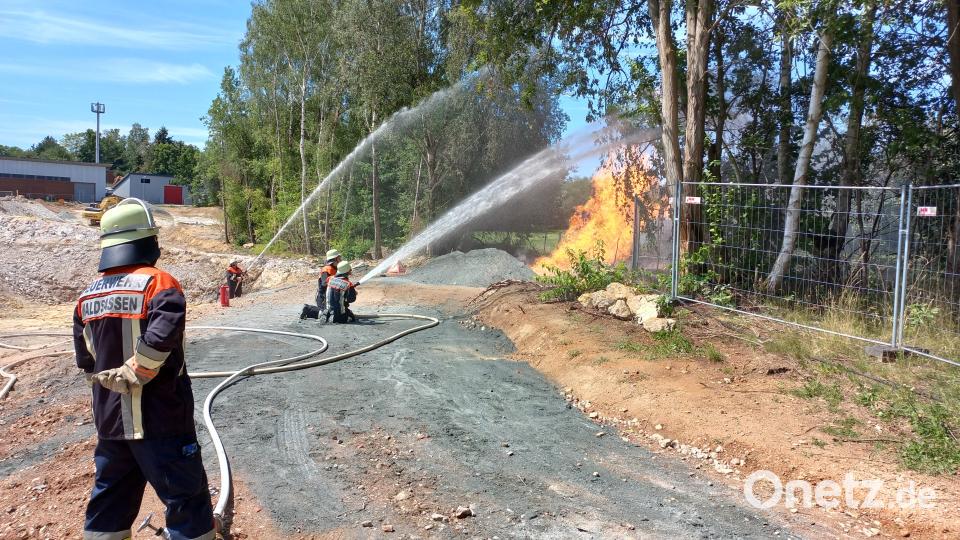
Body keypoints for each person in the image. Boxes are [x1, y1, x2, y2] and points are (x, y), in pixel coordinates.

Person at [73, 198, 216, 540]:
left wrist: (116, 379)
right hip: (161, 420)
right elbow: (162, 336)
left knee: (109, 504)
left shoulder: (86, 298)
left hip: (111, 426)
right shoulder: (159, 283)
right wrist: (136, 372)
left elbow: (86, 362)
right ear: (147, 241)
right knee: (186, 501)